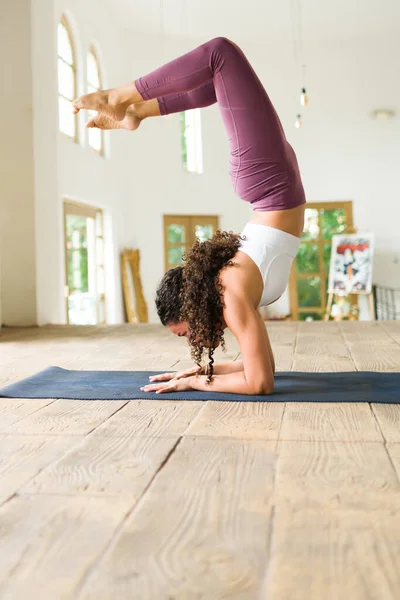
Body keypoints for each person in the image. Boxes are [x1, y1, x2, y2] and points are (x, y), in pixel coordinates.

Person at [72, 37, 306, 396]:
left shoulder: (231, 292)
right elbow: (260, 369)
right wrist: (198, 372)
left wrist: (198, 381)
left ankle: (118, 98)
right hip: (273, 182)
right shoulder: (231, 295)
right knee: (218, 80)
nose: (191, 339)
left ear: (193, 306)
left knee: (220, 54)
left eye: (184, 332)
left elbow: (259, 383)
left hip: (267, 180)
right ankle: (136, 113)